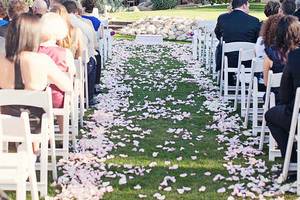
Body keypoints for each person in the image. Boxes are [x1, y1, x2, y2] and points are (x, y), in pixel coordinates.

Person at [0, 13, 72, 153]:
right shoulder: (41, 60)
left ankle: (19, 152)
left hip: (4, 123)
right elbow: (67, 86)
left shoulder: (0, 59)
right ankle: (33, 152)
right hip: (35, 125)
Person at [265, 15, 300, 167]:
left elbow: (284, 96)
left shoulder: (293, 57)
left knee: (271, 115)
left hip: (297, 116)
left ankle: (291, 159)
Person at [39, 12, 75, 133]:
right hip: (57, 99)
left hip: (36, 97)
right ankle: (63, 131)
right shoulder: (65, 53)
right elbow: (72, 73)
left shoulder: (34, 51)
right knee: (62, 93)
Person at [214, 0, 261, 84]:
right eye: (248, 6)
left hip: (228, 59)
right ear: (244, 6)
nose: (248, 9)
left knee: (220, 46)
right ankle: (252, 81)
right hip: (248, 60)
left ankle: (227, 78)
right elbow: (257, 40)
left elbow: (218, 34)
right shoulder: (254, 21)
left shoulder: (222, 18)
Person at [63, 0, 98, 105]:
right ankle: (89, 97)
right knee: (92, 60)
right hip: (79, 64)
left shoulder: (58, 23)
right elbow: (94, 45)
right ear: (75, 11)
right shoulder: (85, 24)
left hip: (61, 63)